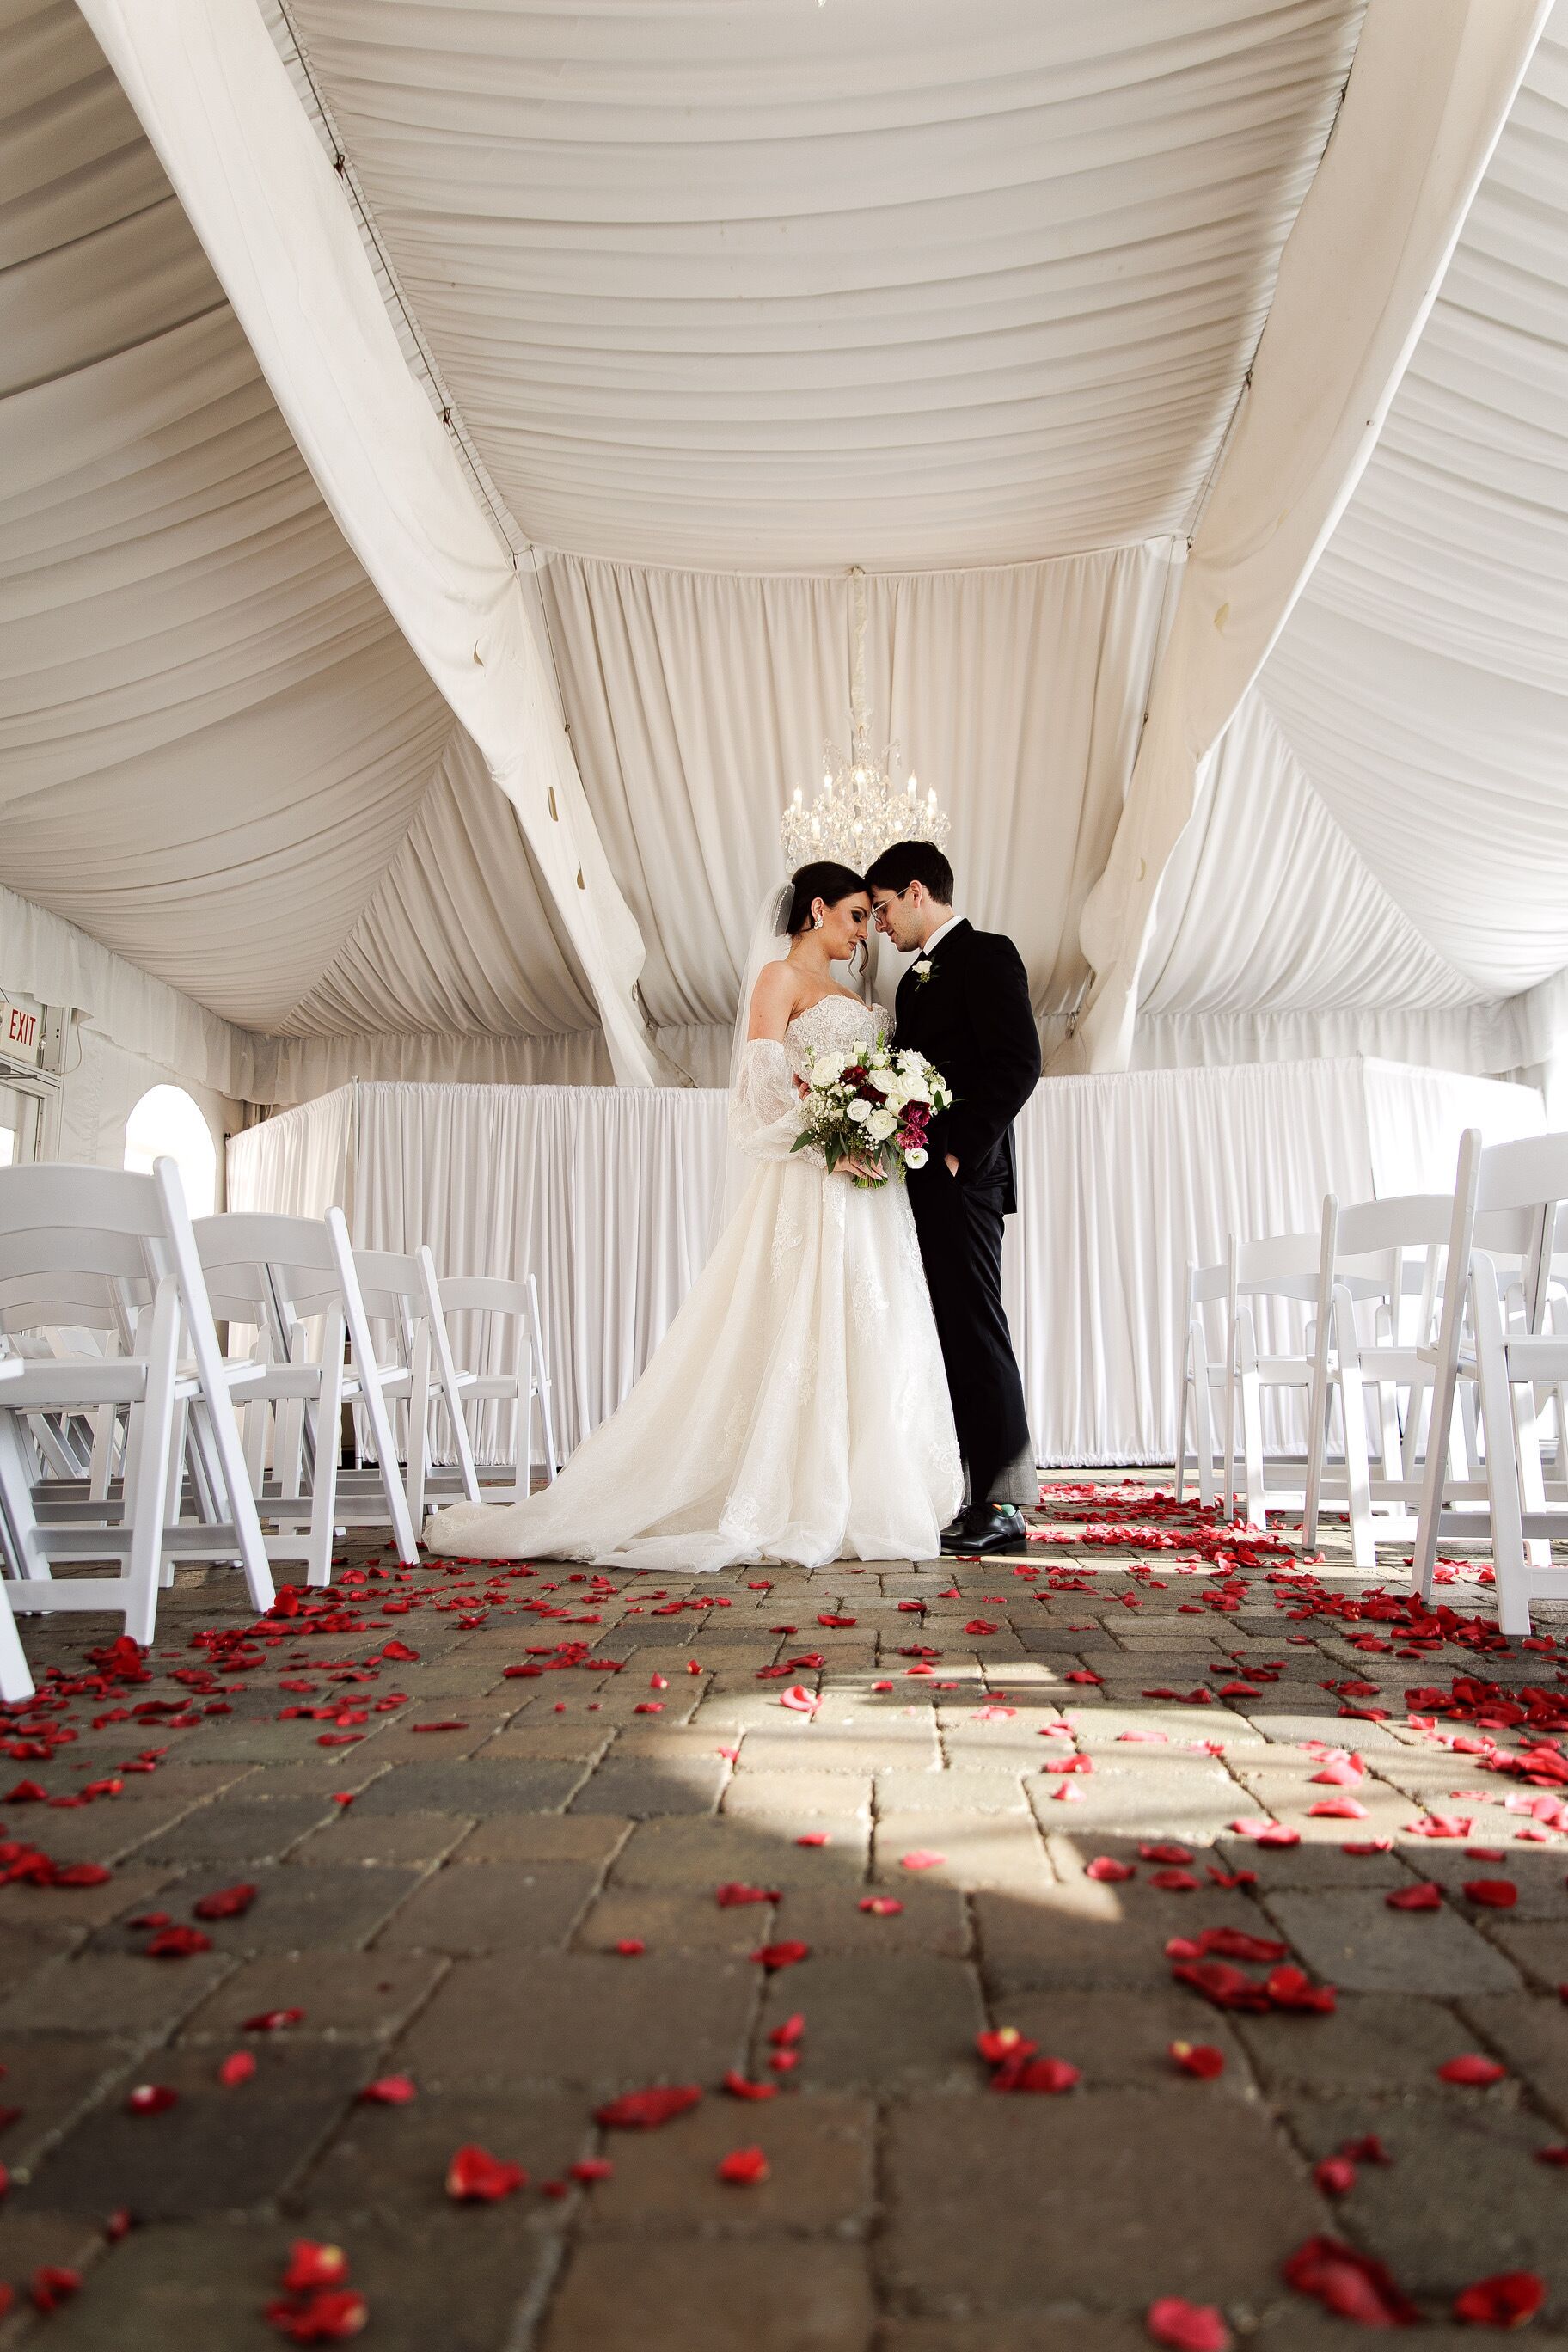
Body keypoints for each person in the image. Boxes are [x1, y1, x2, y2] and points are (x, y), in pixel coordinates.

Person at [423, 862, 962, 1571]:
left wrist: (884, 1126)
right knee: (796, 1326)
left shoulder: (854, 992)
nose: (867, 932)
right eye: (858, 915)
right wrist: (831, 1142)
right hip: (811, 1182)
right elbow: (757, 1094)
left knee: (869, 1324)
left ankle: (865, 1486)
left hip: (869, 1194)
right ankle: (785, 1490)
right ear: (818, 909)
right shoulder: (780, 981)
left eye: (873, 916)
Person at [865, 841, 1040, 1557]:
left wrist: (959, 1148)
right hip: (924, 1182)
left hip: (965, 1179)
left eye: (880, 909)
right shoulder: (912, 982)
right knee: (945, 1336)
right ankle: (971, 1494)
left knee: (975, 1329)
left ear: (915, 892)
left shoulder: (987, 953)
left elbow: (1018, 1063)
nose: (878, 925)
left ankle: (1002, 1503)